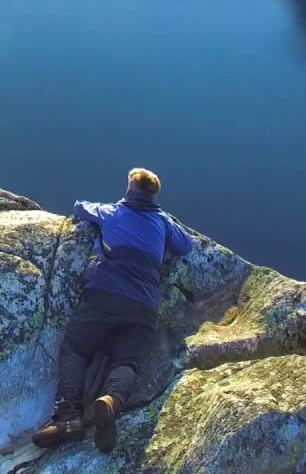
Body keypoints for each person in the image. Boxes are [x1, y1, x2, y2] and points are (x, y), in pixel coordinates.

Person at [33, 167, 194, 453]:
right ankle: (110, 401)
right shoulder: (163, 222)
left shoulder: (112, 212)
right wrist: (164, 222)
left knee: (76, 350)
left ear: (129, 189)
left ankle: (68, 418)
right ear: (154, 196)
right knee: (125, 363)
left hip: (104, 296)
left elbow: (79, 207)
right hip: (143, 306)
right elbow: (186, 246)